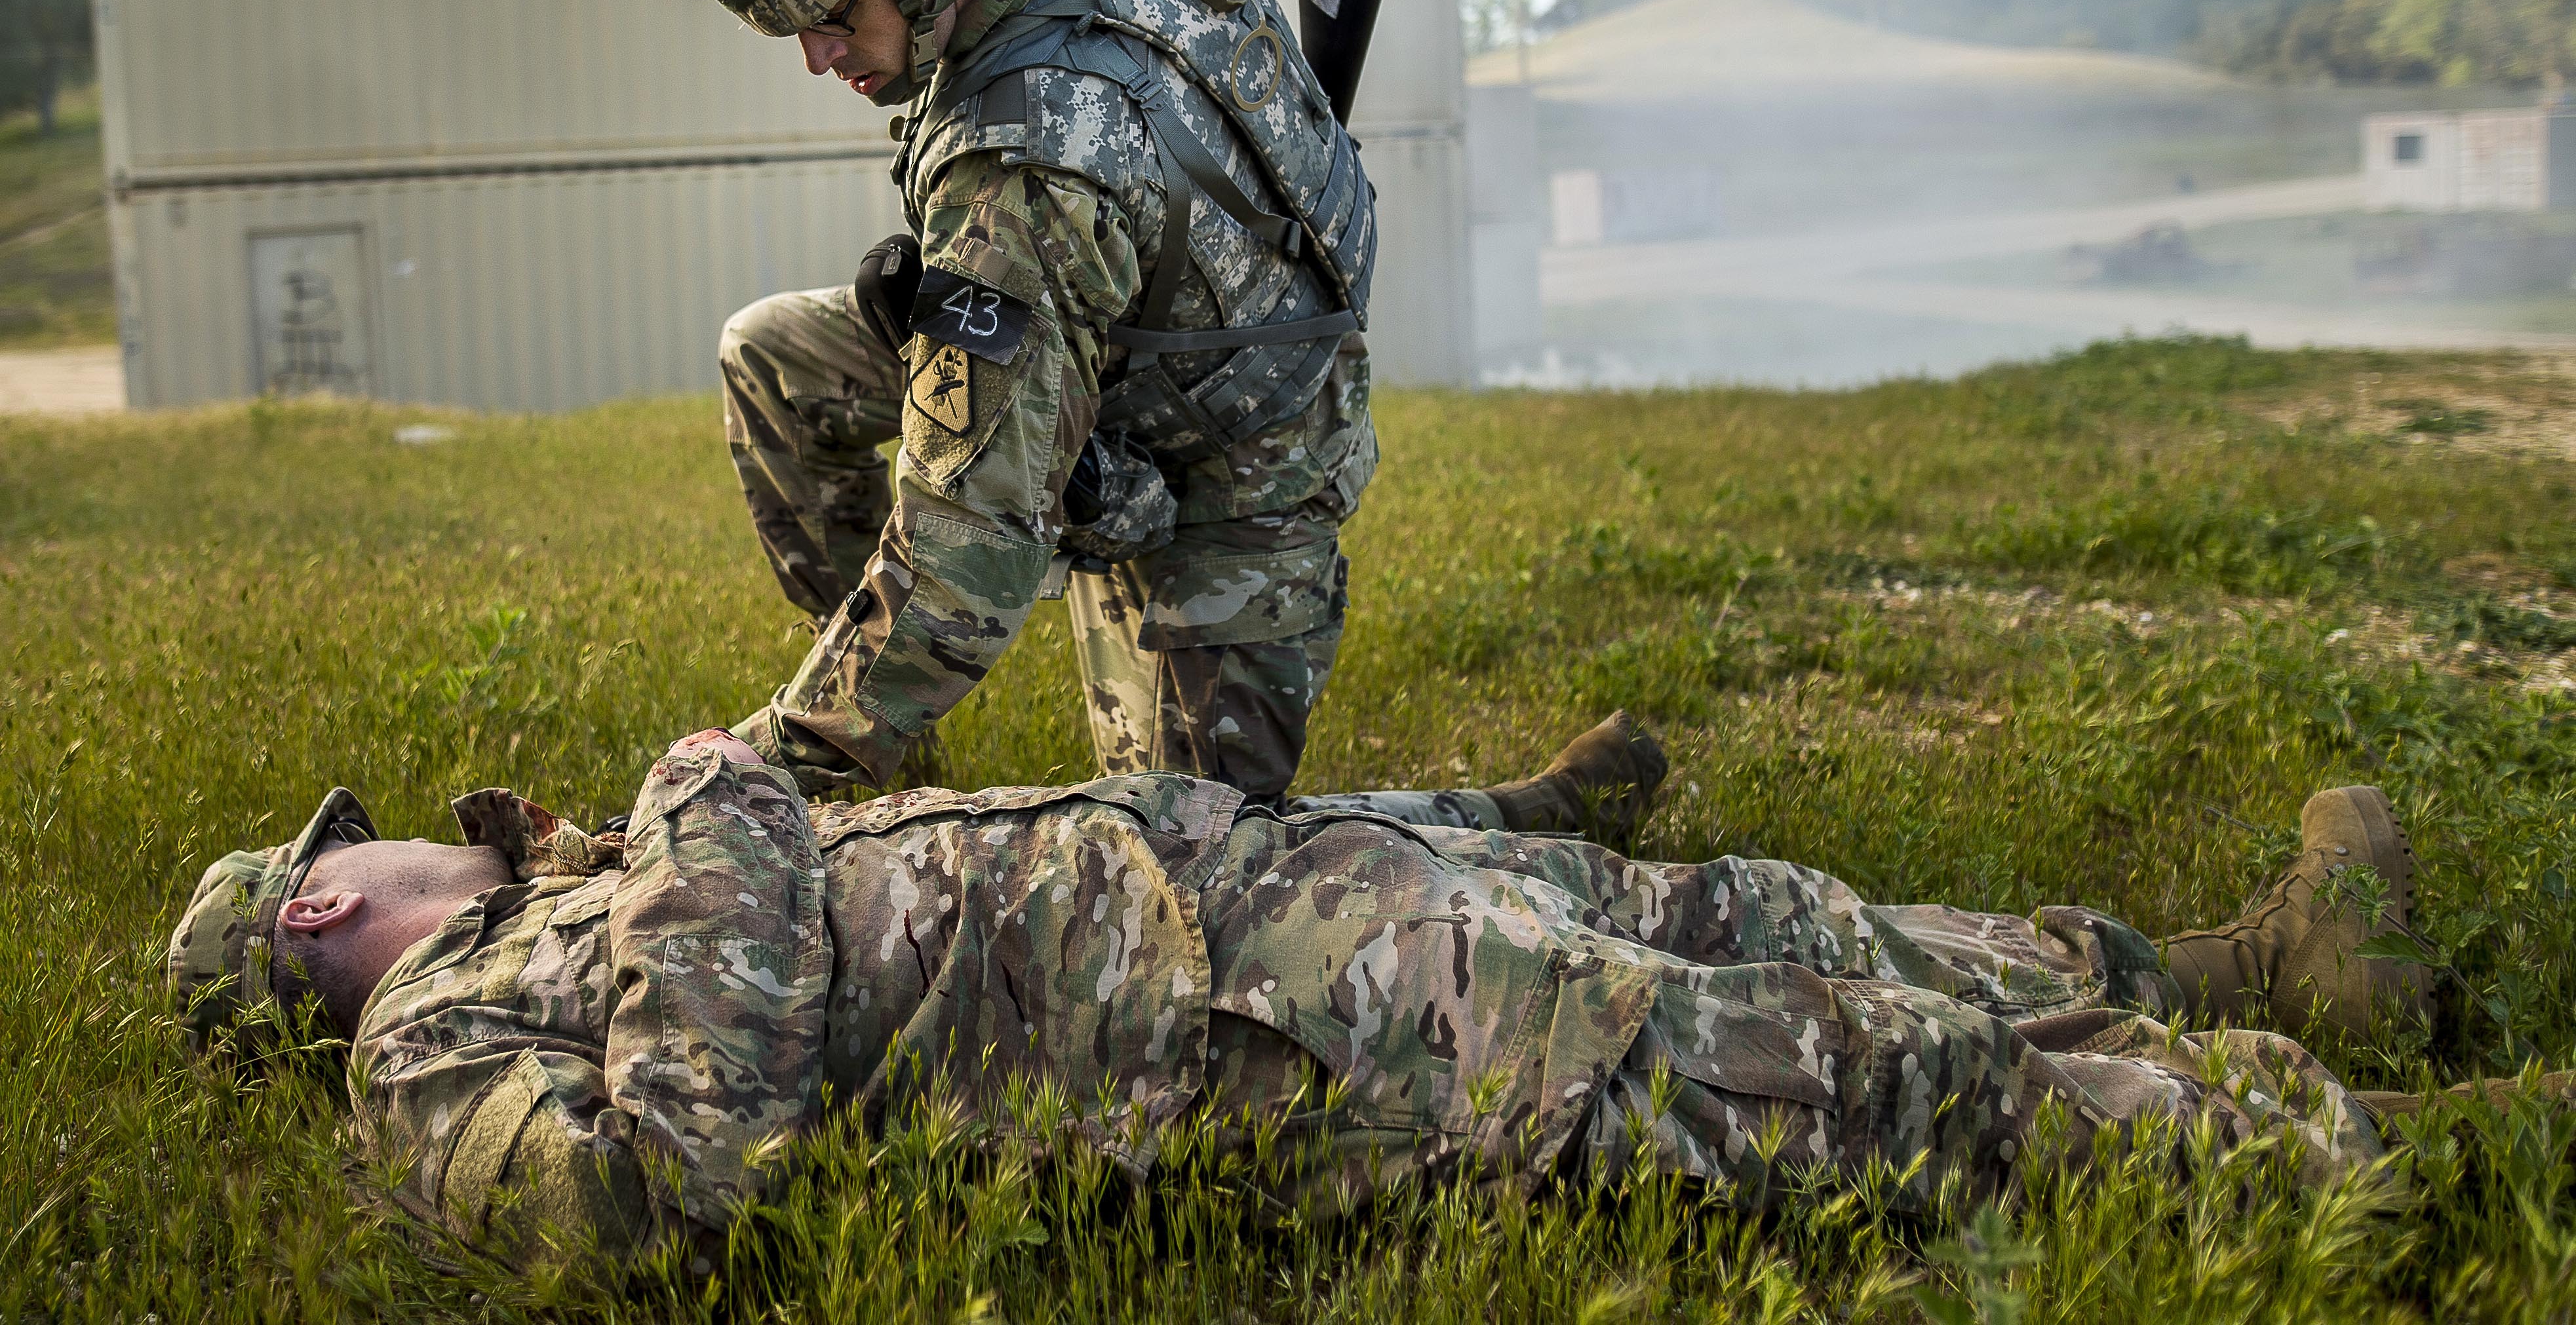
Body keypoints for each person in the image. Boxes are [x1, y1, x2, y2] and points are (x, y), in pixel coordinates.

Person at [171, 725, 2442, 1263]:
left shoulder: (559, 898)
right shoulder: (431, 1057)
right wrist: (704, 819)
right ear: (315, 912)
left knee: (1744, 913)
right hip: (1222, 1018)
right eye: (362, 844)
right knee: (1786, 1062)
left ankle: (2246, 973)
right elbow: (673, 1187)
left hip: (1251, 879)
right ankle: (2346, 1156)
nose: (420, 834)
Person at [663, 0, 1375, 804]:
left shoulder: (1021, 177)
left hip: (1237, 454)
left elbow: (965, 562)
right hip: (1117, 319)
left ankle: (1530, 815)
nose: (816, 57)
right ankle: (889, 777)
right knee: (775, 354)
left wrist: (758, 769)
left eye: (832, 15)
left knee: (1180, 854)